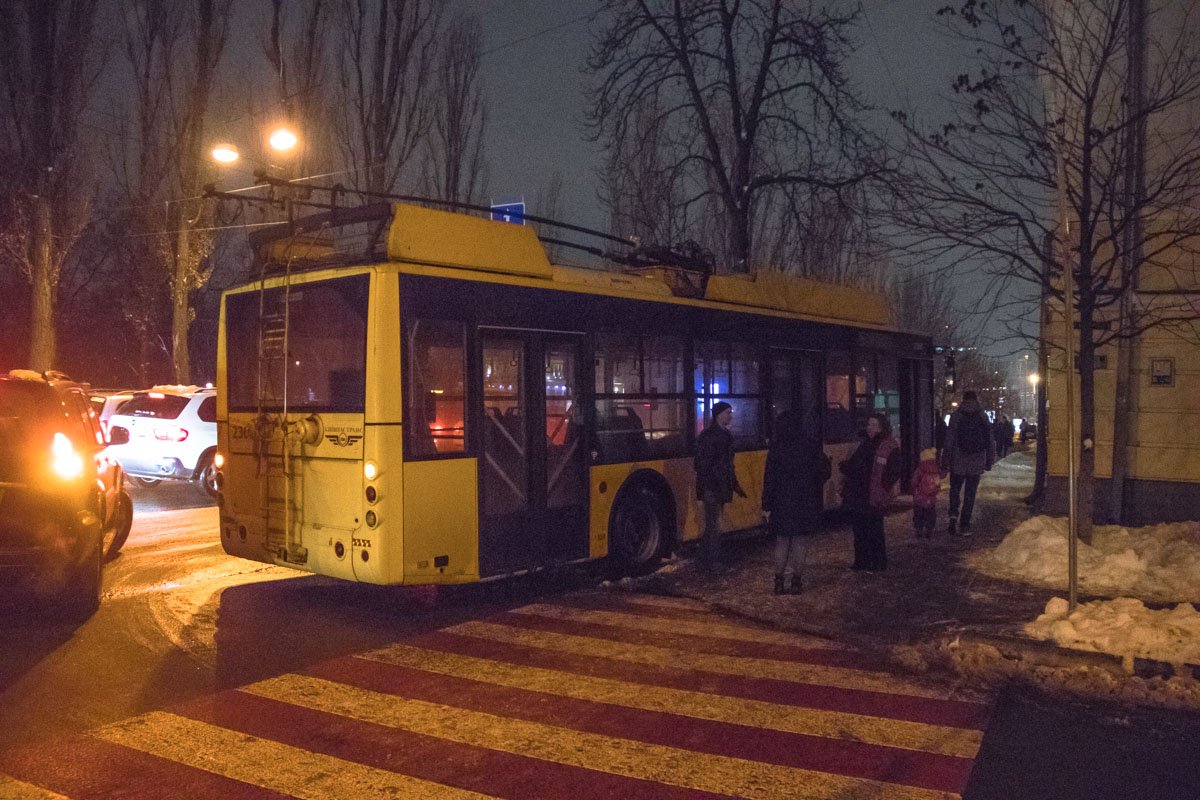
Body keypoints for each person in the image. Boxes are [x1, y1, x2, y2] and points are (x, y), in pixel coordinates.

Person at [762, 409, 831, 594]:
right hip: (805, 501)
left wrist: (766, 505)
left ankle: (778, 582)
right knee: (800, 542)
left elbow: (769, 479)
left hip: (781, 501)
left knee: (782, 541)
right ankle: (796, 581)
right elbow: (824, 471)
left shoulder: (777, 448)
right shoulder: (810, 445)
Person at [840, 413, 901, 572]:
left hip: (873, 494)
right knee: (860, 529)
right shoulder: (865, 443)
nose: (870, 428)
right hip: (859, 493)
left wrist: (884, 486)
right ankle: (862, 561)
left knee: (874, 529)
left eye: (874, 425)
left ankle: (877, 562)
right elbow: (856, 465)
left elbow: (893, 469)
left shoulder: (886, 445)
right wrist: (846, 467)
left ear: (882, 427)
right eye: (869, 424)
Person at [694, 401, 745, 572]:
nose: (730, 416)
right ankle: (712, 561)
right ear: (719, 415)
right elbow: (705, 465)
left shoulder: (718, 435)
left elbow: (726, 465)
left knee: (712, 525)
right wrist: (725, 483)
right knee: (715, 526)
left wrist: (734, 485)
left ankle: (704, 559)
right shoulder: (713, 436)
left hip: (716, 486)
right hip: (714, 487)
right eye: (728, 413)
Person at [943, 390, 995, 536]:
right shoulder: (983, 416)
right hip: (976, 461)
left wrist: (945, 462)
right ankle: (964, 524)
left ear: (963, 400)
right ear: (976, 399)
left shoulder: (956, 416)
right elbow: (990, 440)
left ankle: (953, 516)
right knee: (970, 494)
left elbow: (949, 441)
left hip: (958, 461)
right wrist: (989, 460)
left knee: (954, 490)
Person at [911, 447, 941, 538]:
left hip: (919, 498)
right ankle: (929, 529)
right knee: (930, 514)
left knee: (919, 514)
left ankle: (919, 530)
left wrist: (913, 489)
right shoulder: (936, 470)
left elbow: (914, 482)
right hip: (931, 499)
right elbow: (938, 485)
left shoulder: (920, 469)